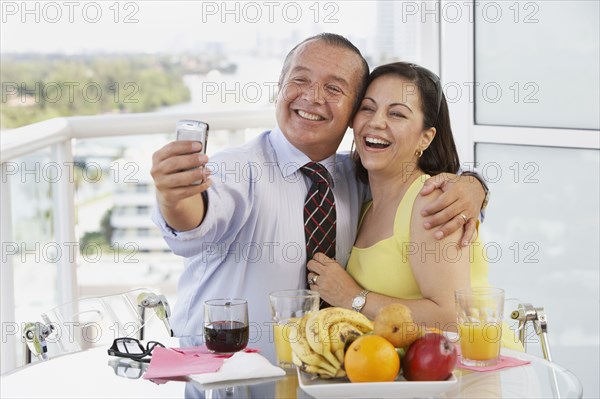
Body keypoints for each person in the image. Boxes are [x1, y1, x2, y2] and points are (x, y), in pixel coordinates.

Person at [150, 34, 487, 347]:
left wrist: (473, 187)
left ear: (350, 112)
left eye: (334, 88)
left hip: (331, 382)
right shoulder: (236, 168)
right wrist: (174, 197)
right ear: (279, 87)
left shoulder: (359, 178)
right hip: (231, 381)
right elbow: (195, 216)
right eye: (300, 80)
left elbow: (427, 182)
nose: (312, 97)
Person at [306, 62, 520, 349]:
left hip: (474, 371)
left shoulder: (431, 201)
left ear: (425, 137)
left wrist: (353, 297)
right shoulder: (364, 203)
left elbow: (451, 318)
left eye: (396, 114)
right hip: (419, 376)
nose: (376, 122)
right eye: (368, 108)